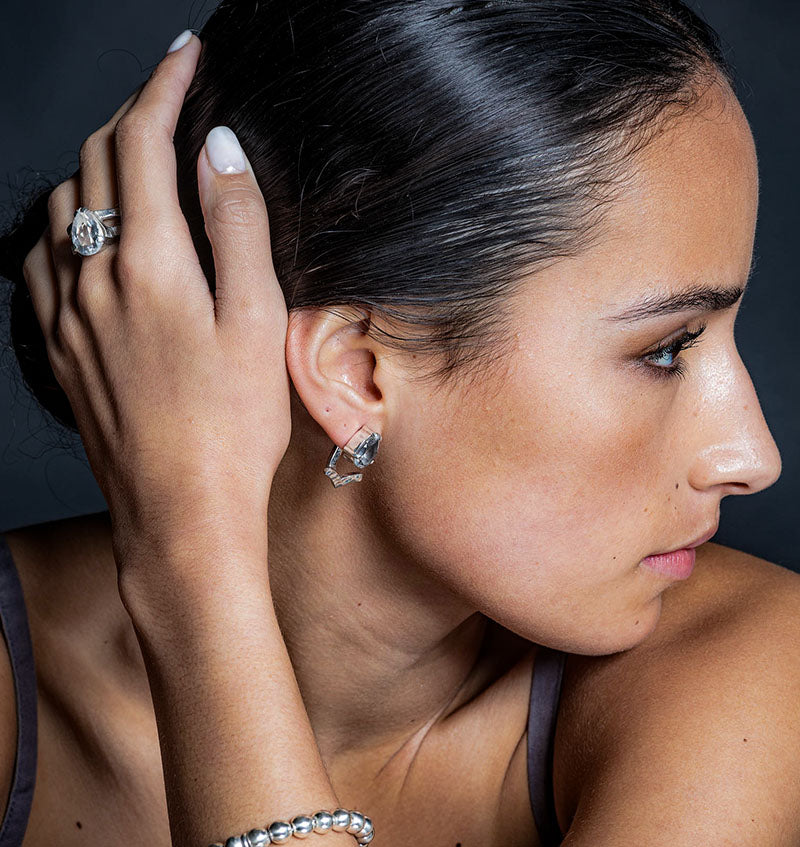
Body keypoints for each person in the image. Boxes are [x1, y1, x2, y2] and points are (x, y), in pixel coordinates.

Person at [0, 1, 799, 844]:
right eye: (667, 349)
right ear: (358, 373)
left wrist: (190, 565)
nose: (753, 455)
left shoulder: (747, 669)